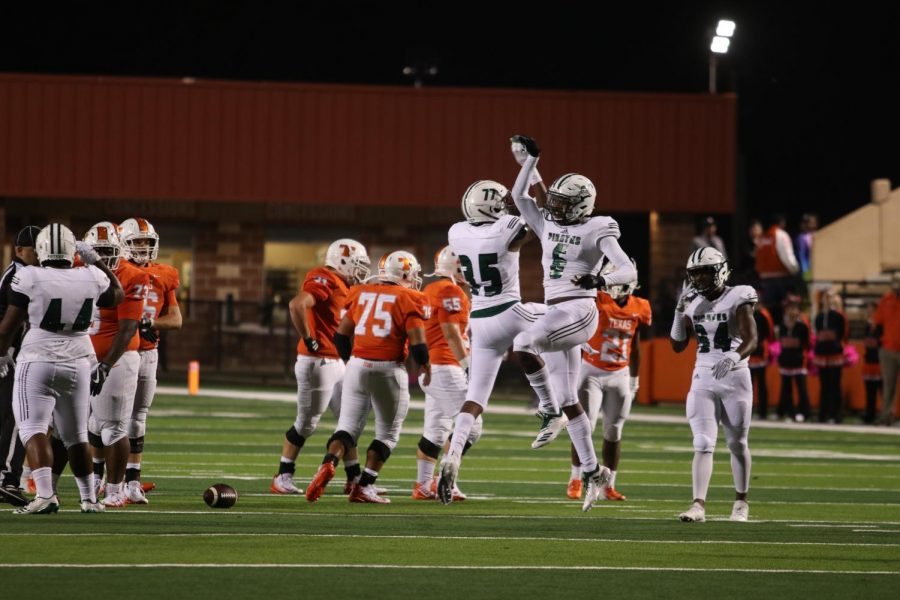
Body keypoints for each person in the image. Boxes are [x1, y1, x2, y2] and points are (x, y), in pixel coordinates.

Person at [444, 133, 637, 513]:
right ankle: (593, 470)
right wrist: (527, 164)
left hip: (580, 311)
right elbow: (522, 198)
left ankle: (546, 411)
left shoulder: (599, 227)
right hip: (554, 312)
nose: (557, 208)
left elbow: (628, 267)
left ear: (583, 205)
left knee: (525, 343)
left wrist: (602, 280)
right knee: (571, 399)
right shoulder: (548, 224)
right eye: (556, 202)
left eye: (566, 203)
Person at [435, 146, 547, 507]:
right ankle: (551, 406)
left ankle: (452, 455)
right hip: (510, 311)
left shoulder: (456, 233)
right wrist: (532, 172)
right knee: (573, 318)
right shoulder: (507, 227)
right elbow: (541, 221)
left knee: (475, 398)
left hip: (479, 321)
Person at [0, 223, 124, 514]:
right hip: (80, 359)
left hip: (38, 356)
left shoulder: (29, 276)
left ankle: (46, 495)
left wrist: (2, 353)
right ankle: (89, 499)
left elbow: (8, 325)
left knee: (32, 428)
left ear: (41, 249)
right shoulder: (91, 275)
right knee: (76, 435)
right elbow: (117, 295)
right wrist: (98, 263)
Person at [305, 251, 430, 504]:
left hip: (357, 365)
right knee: (388, 433)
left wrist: (353, 362)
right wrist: (425, 365)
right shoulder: (410, 298)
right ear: (405, 273)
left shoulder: (361, 292)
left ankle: (329, 462)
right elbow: (417, 344)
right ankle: (364, 485)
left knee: (347, 427)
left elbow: (340, 337)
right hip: (388, 369)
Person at [270, 238, 371, 495]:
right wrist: (308, 338)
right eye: (357, 265)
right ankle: (282, 475)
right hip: (318, 362)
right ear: (343, 261)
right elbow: (297, 304)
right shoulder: (324, 277)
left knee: (348, 422)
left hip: (336, 361)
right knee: (306, 424)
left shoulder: (342, 285)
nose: (360, 271)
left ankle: (354, 478)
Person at [670, 247, 758, 523]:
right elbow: (677, 345)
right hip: (703, 375)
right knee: (702, 441)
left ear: (719, 270)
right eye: (695, 274)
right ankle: (698, 504)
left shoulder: (738, 295)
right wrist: (678, 311)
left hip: (735, 375)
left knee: (737, 442)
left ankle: (741, 502)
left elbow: (752, 339)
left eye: (705, 273)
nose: (700, 280)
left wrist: (733, 356)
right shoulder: (693, 301)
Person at [566, 258, 649, 502]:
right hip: (590, 371)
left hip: (619, 374)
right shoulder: (597, 300)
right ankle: (576, 477)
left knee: (614, 431)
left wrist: (635, 378)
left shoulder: (641, 306)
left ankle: (608, 485)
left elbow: (636, 346)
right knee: (585, 426)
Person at [83, 222, 149, 507]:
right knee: (94, 424)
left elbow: (127, 328)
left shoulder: (132, 275)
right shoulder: (76, 270)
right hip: (85, 356)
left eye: (108, 250)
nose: (103, 256)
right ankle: (97, 483)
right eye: (97, 251)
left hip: (118, 359)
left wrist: (106, 364)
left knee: (114, 427)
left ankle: (116, 489)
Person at [118, 217, 183, 501]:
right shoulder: (116, 270)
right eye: (136, 242)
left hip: (148, 352)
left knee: (138, 418)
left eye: (147, 242)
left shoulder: (164, 274)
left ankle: (132, 481)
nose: (143, 247)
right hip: (118, 351)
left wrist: (150, 324)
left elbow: (176, 319)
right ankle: (103, 479)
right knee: (108, 420)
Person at [412, 246, 480, 501]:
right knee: (472, 426)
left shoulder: (429, 289)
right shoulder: (450, 290)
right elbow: (451, 332)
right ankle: (444, 480)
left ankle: (423, 485)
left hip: (433, 367)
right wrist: (467, 365)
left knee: (436, 430)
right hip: (445, 366)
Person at [0, 226, 41, 507]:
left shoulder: (23, 273)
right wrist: (4, 352)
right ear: (20, 250)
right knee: (15, 419)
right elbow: (8, 319)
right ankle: (7, 479)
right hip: (12, 355)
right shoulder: (19, 275)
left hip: (14, 352)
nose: (39, 254)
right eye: (34, 249)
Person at [755, 214, 800, 324]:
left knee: (769, 309)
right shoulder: (781, 235)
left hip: (765, 279)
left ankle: (770, 332)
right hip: (781, 279)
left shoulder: (762, 237)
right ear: (781, 223)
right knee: (784, 308)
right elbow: (787, 257)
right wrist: (796, 270)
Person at [813, 290, 848, 423]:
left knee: (835, 385)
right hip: (822, 353)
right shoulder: (820, 316)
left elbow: (844, 334)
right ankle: (823, 414)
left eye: (830, 297)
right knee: (824, 385)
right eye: (825, 297)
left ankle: (836, 415)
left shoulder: (839, 316)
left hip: (835, 353)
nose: (827, 300)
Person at [776, 295, 811, 422]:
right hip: (786, 359)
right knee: (786, 388)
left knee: (801, 388)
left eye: (794, 308)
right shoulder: (783, 325)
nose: (792, 311)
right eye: (789, 308)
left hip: (799, 360)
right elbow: (780, 341)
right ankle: (790, 412)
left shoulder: (803, 325)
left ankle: (804, 412)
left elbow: (807, 343)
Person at [874, 272, 900, 425]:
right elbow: (878, 323)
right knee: (888, 384)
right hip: (888, 348)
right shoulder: (886, 300)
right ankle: (886, 415)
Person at [749, 299, 775, 420]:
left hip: (760, 352)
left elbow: (770, 333)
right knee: (747, 384)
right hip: (748, 352)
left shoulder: (764, 314)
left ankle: (762, 411)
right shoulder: (745, 312)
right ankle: (748, 410)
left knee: (761, 383)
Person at [862, 301, 882, 424]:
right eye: (868, 310)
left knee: (882, 390)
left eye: (871, 310)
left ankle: (885, 414)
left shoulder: (881, 326)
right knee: (870, 391)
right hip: (869, 361)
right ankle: (870, 414)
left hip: (879, 361)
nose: (869, 312)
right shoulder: (867, 326)